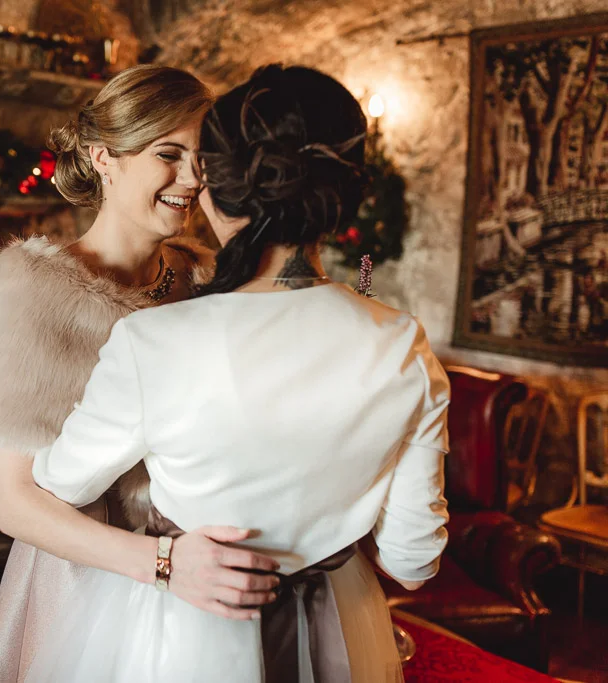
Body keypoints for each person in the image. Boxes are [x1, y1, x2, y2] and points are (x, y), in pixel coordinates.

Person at [26, 64, 451, 682]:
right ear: (338, 197)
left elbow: (61, 482)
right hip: (340, 622)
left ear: (216, 190)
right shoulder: (403, 344)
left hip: (189, 629)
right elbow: (413, 562)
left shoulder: (152, 341)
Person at [0, 65, 282, 683]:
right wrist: (165, 565)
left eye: (202, 159)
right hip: (90, 585)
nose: (193, 179)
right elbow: (14, 503)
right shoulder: (37, 291)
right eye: (169, 155)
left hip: (213, 581)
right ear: (103, 159)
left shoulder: (209, 280)